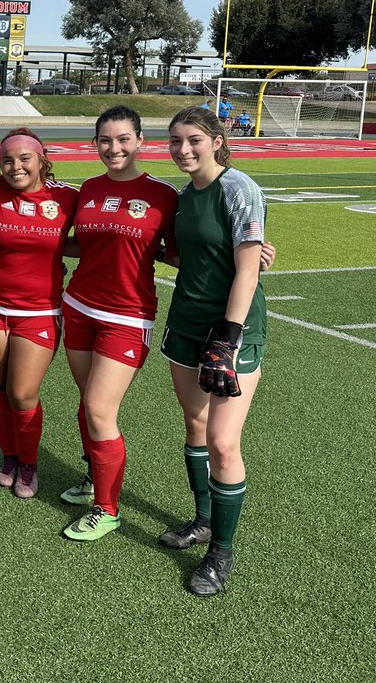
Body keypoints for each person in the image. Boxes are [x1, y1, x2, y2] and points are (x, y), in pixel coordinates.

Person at [159, 107, 267, 597]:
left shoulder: (237, 187)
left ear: (217, 140)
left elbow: (247, 271)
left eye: (194, 140)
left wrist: (228, 336)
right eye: (176, 141)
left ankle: (221, 550)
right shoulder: (183, 196)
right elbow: (182, 254)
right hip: (184, 323)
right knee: (196, 427)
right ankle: (202, 519)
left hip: (229, 331)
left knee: (224, 442)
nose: (184, 149)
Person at [59, 106, 178, 541]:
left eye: (124, 139)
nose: (115, 148)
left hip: (126, 315)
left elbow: (184, 251)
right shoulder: (88, 189)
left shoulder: (164, 194)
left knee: (99, 409)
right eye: (106, 140)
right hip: (79, 306)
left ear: (140, 140)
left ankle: (106, 510)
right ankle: (94, 478)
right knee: (85, 402)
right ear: (96, 143)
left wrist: (249, 251)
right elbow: (73, 244)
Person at [0, 128, 79, 499]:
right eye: (7, 159)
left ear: (42, 161)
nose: (14, 166)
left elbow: (97, 235)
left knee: (23, 391)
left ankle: (29, 464)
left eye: (24, 158)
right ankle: (10, 457)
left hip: (40, 309)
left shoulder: (67, 198)